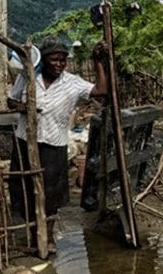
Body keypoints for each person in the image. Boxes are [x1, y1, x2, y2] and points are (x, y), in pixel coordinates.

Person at [7, 36, 108, 249]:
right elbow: (11, 100)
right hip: (26, 141)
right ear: (43, 60)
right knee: (25, 189)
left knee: (51, 193)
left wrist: (98, 62)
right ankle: (34, 233)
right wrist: (24, 108)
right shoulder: (27, 77)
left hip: (54, 145)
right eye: (54, 59)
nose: (59, 64)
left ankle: (48, 236)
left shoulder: (72, 82)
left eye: (63, 60)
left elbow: (101, 91)